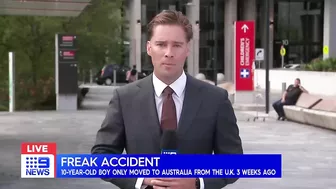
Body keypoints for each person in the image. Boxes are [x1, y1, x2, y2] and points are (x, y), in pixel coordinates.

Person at [91, 10, 243, 189]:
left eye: (177, 45)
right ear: (149, 48)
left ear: (187, 48)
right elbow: (102, 156)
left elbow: (233, 162)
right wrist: (141, 180)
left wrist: (197, 182)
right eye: (161, 44)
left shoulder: (215, 99)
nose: (169, 53)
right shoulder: (124, 98)